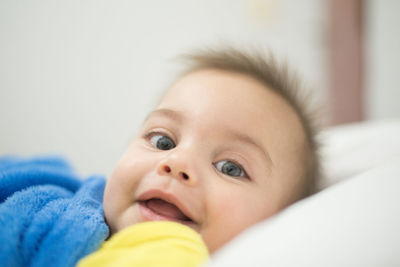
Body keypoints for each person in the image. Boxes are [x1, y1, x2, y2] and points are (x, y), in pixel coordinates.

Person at [0, 47, 319, 267]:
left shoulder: (169, 255)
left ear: (279, 221)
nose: (176, 162)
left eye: (230, 167)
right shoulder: (51, 207)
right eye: (164, 142)